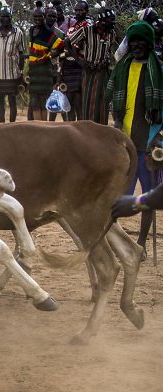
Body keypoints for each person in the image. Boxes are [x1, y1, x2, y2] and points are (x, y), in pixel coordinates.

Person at [108, 20, 163, 257]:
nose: (137, 44)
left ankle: (140, 243)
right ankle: (119, 241)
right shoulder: (123, 68)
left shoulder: (159, 70)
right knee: (120, 195)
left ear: (149, 43)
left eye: (141, 40)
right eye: (133, 41)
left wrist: (158, 137)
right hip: (124, 142)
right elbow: (115, 102)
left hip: (149, 144)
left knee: (148, 196)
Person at [66, 5, 116, 124]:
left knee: (103, 101)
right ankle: (89, 133)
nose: (113, 22)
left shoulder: (111, 33)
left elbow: (109, 50)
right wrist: (78, 60)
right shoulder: (87, 30)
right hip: (90, 72)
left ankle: (101, 131)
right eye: (111, 20)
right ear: (103, 20)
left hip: (103, 71)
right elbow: (68, 41)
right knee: (89, 102)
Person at [26, 3, 64, 122]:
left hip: (45, 71)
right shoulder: (32, 29)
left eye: (40, 16)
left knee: (43, 101)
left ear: (44, 16)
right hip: (34, 71)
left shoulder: (48, 32)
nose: (38, 19)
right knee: (34, 102)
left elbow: (61, 45)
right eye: (35, 17)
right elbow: (33, 50)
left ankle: (43, 128)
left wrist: (48, 56)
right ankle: (38, 128)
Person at [0, 6, 24, 123]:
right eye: (3, 17)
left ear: (11, 18)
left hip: (12, 73)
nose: (5, 19)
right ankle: (1, 124)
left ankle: (12, 125)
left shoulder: (18, 33)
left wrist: (21, 71)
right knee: (0, 100)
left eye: (8, 17)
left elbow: (21, 53)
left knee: (12, 99)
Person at [60, 0, 89, 120]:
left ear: (86, 11)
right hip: (67, 67)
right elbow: (65, 45)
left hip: (79, 66)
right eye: (76, 10)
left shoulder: (88, 26)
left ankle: (80, 132)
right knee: (69, 100)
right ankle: (70, 131)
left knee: (79, 102)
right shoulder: (72, 27)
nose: (78, 12)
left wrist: (71, 51)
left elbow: (79, 46)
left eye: (81, 10)